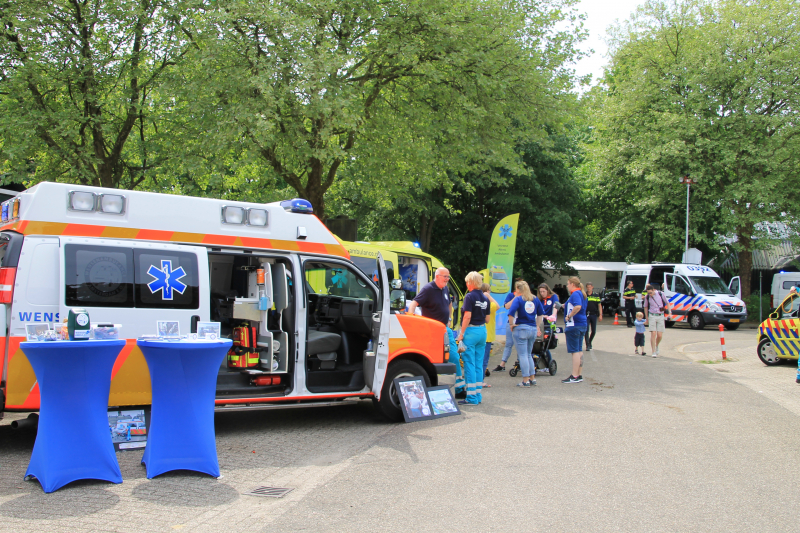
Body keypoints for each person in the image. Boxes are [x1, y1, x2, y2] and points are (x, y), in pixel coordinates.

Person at [407, 268, 464, 395]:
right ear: (437, 276)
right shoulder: (428, 289)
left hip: (445, 328)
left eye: (448, 277)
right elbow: (414, 303)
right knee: (436, 358)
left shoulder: (444, 288)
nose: (447, 279)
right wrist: (410, 319)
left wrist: (449, 318)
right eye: (445, 277)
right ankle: (436, 386)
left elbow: (449, 303)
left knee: (454, 356)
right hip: (432, 330)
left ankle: (460, 388)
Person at [455, 272, 490, 405]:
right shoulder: (485, 298)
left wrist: (461, 333)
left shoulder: (469, 297)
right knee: (478, 364)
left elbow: (467, 317)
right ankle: (478, 395)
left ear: (470, 282)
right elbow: (487, 319)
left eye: (467, 282)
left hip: (471, 331)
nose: (466, 285)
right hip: (482, 331)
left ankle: (471, 398)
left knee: (469, 363)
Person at [507, 281, 545, 387]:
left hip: (521, 328)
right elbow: (540, 315)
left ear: (518, 289)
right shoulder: (535, 299)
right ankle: (532, 378)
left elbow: (511, 313)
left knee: (522, 355)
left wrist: (511, 324)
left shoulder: (519, 299)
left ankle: (525, 380)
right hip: (532, 328)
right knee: (529, 354)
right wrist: (537, 326)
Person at [562, 276, 587, 384]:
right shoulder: (581, 293)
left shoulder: (575, 294)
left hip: (574, 325)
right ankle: (579, 374)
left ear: (572, 284)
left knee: (575, 351)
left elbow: (578, 306)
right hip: (581, 324)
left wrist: (569, 316)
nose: (567, 286)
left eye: (568, 284)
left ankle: (574, 375)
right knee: (579, 350)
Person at [492, 285, 521, 372]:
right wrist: (515, 297)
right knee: (509, 343)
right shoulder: (511, 295)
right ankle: (502, 364)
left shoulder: (526, 297)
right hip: (511, 323)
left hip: (521, 324)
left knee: (521, 344)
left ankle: (520, 363)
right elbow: (507, 306)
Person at [643, 283, 671, 357]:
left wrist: (670, 312)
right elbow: (645, 307)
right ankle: (653, 351)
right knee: (653, 333)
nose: (650, 294)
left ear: (654, 290)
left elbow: (667, 303)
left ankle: (656, 345)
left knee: (659, 335)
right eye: (648, 293)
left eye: (651, 293)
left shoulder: (661, 294)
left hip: (660, 315)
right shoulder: (647, 297)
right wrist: (647, 318)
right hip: (652, 315)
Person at [537, 283, 559, 369]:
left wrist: (553, 315)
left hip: (549, 322)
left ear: (547, 290)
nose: (542, 293)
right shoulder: (539, 300)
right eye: (540, 292)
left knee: (546, 343)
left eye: (543, 291)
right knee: (538, 343)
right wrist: (543, 316)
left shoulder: (553, 297)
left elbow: (556, 305)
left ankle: (548, 363)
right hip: (541, 321)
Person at [481, 283, 499, 383]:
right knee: (484, 359)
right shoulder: (489, 304)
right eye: (489, 290)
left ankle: (477, 379)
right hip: (488, 335)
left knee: (478, 358)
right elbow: (497, 306)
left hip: (480, 333)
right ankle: (481, 380)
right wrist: (489, 296)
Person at [584, 282, 603, 350]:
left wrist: (600, 315)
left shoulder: (596, 295)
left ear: (592, 287)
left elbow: (599, 305)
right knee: (586, 330)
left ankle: (589, 341)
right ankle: (587, 345)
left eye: (590, 287)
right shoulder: (584, 295)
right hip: (586, 314)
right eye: (587, 287)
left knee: (594, 331)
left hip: (594, 314)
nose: (589, 288)